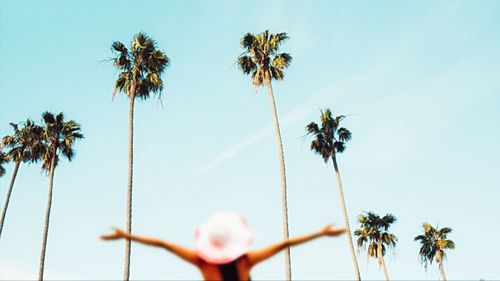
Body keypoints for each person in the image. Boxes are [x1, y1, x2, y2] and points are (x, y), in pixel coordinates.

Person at [101, 212, 346, 280]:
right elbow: (284, 244)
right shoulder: (245, 261)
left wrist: (126, 236)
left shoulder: (203, 261)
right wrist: (321, 234)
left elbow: (164, 244)